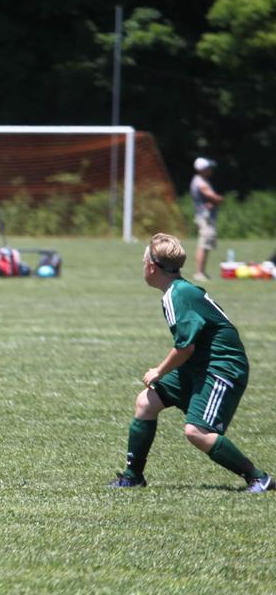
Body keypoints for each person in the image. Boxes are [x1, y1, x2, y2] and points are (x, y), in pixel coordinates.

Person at [109, 233, 273, 493]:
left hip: (221, 367)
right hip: (199, 365)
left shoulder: (178, 295)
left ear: (151, 267)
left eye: (143, 262)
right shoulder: (177, 290)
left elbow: (185, 348)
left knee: (196, 432)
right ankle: (133, 477)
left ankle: (258, 478)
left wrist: (159, 371)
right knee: (146, 402)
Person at [190, 157, 223, 282]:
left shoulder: (200, 180)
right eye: (209, 168)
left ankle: (202, 272)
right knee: (203, 244)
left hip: (205, 217)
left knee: (206, 244)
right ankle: (199, 273)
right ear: (203, 169)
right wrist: (219, 199)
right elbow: (214, 197)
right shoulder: (201, 182)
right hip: (205, 218)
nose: (210, 170)